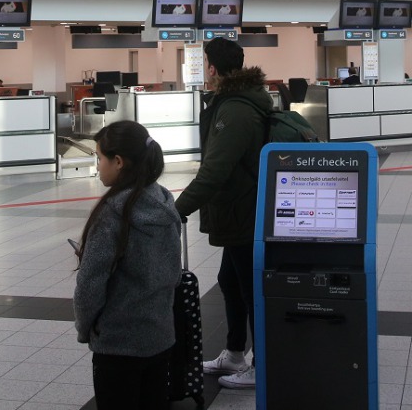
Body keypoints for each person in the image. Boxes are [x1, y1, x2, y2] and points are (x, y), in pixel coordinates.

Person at [174, 37, 271, 390]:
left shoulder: (235, 110)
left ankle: (263, 364)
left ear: (213, 68)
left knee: (250, 289)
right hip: (238, 211)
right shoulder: (233, 102)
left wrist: (175, 211)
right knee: (230, 281)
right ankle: (234, 352)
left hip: (245, 212)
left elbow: (214, 172)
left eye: (203, 63)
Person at [74, 121, 180, 410]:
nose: (97, 167)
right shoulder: (164, 202)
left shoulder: (111, 215)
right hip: (159, 337)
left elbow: (90, 284)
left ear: (118, 162)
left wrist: (85, 329)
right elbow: (173, 272)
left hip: (118, 345)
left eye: (99, 158)